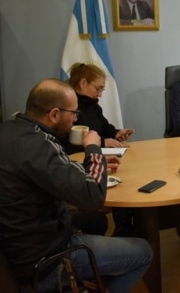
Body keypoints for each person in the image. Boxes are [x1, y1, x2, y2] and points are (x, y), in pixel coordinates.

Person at [0, 79, 152, 292]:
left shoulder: (5, 131)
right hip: (41, 261)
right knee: (143, 251)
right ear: (54, 114)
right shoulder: (40, 144)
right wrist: (93, 150)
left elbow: (46, 170)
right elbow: (93, 197)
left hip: (6, 251)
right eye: (73, 114)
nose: (75, 119)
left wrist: (88, 165)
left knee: (96, 222)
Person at [66, 62, 136, 237]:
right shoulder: (70, 107)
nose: (100, 94)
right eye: (98, 88)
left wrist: (116, 133)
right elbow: (71, 141)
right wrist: (104, 142)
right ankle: (124, 231)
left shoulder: (92, 104)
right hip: (78, 161)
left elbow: (103, 127)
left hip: (97, 156)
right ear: (83, 83)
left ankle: (127, 228)